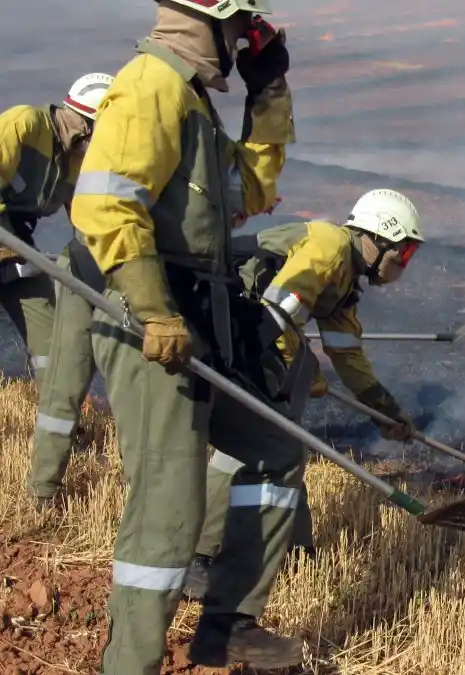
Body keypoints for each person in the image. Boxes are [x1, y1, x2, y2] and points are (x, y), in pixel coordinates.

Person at [67, 0, 307, 672]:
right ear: (210, 20)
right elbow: (106, 202)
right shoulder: (149, 85)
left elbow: (250, 191)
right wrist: (153, 310)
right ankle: (131, 662)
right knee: (171, 506)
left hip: (198, 317)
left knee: (271, 449)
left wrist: (269, 95)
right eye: (240, 30)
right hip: (150, 318)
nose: (243, 42)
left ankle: (226, 625)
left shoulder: (193, 104)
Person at [182, 188, 425, 600]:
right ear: (379, 237)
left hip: (246, 328)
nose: (402, 263)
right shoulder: (329, 246)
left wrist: (385, 412)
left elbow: (349, 358)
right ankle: (193, 557)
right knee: (247, 442)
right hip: (221, 318)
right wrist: (300, 368)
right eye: (402, 253)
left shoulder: (345, 283)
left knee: (285, 441)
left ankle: (295, 549)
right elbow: (272, 315)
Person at [0, 73, 112, 475]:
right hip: (8, 242)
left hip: (16, 253)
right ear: (84, 123)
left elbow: (85, 220)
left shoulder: (79, 162)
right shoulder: (23, 124)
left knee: (51, 344)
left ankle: (64, 429)